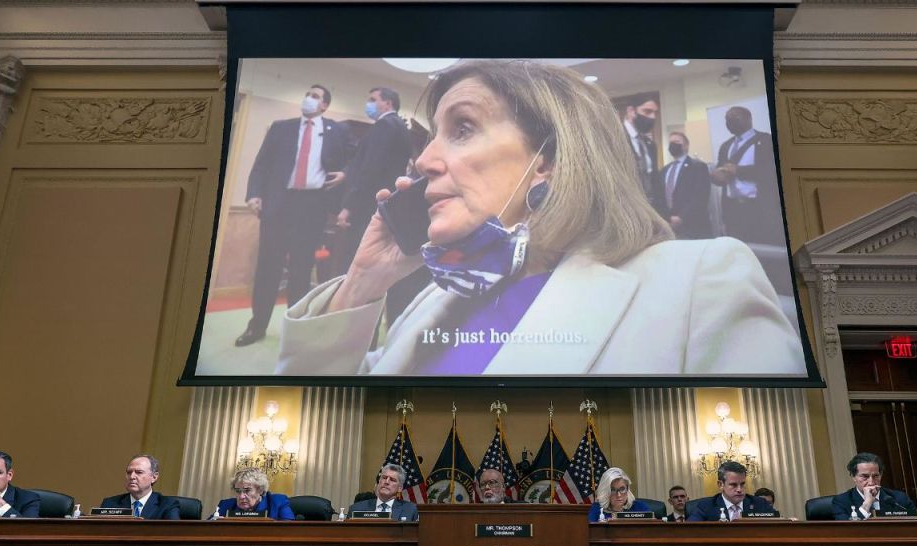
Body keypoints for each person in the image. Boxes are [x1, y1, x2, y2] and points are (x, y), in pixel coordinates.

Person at [276, 60, 802, 376]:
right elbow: (332, 414)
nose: (425, 160)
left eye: (461, 128)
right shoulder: (438, 295)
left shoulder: (704, 276)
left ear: (547, 156)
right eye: (432, 135)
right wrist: (363, 284)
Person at [237, 84, 353, 347]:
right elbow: (261, 165)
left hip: (312, 207)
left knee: (301, 271)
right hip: (279, 205)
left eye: (315, 96)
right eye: (307, 94)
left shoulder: (338, 131)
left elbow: (355, 159)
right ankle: (257, 327)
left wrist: (345, 173)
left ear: (324, 106)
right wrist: (253, 194)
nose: (308, 99)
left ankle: (295, 331)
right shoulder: (281, 128)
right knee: (268, 268)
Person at [335, 87, 413, 277]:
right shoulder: (401, 127)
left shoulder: (384, 125)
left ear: (388, 103)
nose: (368, 104)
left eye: (373, 99)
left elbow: (369, 168)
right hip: (386, 203)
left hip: (367, 204)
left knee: (353, 262)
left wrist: (349, 206)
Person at [710, 106, 779, 247]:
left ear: (749, 119)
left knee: (766, 251)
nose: (730, 122)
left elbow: (772, 171)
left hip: (759, 209)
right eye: (727, 119)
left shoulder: (766, 140)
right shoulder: (725, 146)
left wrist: (739, 171)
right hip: (732, 210)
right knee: (737, 252)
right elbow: (721, 171)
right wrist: (716, 177)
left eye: (735, 118)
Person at [655, 131, 711, 239]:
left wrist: (681, 218)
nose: (673, 145)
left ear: (686, 146)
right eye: (671, 142)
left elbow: (700, 196)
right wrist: (666, 218)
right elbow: (660, 196)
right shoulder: (664, 170)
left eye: (676, 142)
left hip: (693, 226)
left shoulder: (698, 167)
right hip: (670, 227)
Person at [831, 452, 917, 520]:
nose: (871, 482)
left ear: (881, 475)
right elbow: (847, 530)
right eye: (865, 476)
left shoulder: (899, 499)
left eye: (876, 476)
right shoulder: (842, 501)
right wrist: (867, 504)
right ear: (853, 477)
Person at [99, 454, 180, 519]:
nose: (132, 476)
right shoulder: (110, 504)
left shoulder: (167, 505)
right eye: (129, 472)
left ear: (154, 477)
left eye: (139, 472)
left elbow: (173, 535)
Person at [689, 461, 775, 521]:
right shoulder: (706, 507)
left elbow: (779, 526)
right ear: (720, 484)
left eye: (742, 484)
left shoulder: (760, 504)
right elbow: (689, 531)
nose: (739, 489)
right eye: (733, 485)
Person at [622, 98, 662, 210]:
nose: (652, 117)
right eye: (647, 111)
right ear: (631, 111)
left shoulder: (649, 144)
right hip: (626, 210)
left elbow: (655, 180)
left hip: (651, 209)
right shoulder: (614, 138)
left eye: (655, 113)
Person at [212, 468, 295, 519]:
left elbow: (289, 529)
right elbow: (206, 528)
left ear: (261, 490)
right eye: (238, 491)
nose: (241, 496)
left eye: (247, 490)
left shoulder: (277, 502)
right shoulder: (226, 505)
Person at [350, 464, 420, 520]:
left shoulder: (410, 510)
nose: (386, 482)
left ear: (400, 488)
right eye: (384, 478)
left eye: (392, 480)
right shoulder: (356, 509)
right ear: (379, 482)